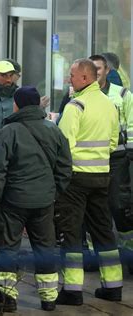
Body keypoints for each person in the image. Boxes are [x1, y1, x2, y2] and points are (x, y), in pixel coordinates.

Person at [0, 86, 72, 312]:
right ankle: (49, 299)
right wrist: (53, 193)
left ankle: (7, 299)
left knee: (8, 248)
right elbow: (65, 168)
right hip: (44, 202)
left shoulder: (9, 131)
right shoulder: (53, 130)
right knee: (45, 248)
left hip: (14, 202)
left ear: (17, 104)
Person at [55, 58, 123, 305]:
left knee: (72, 233)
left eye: (72, 75)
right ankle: (113, 287)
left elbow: (63, 147)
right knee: (104, 231)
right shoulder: (109, 105)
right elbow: (113, 143)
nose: (69, 79)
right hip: (102, 177)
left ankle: (72, 291)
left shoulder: (76, 106)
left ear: (85, 78)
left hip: (76, 178)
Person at [89, 54, 133, 275]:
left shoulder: (122, 95)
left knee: (120, 207)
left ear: (107, 71)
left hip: (118, 159)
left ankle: (129, 253)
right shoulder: (79, 96)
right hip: (89, 162)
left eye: (99, 69)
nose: (95, 73)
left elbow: (132, 124)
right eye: (92, 69)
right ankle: (95, 257)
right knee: (95, 210)